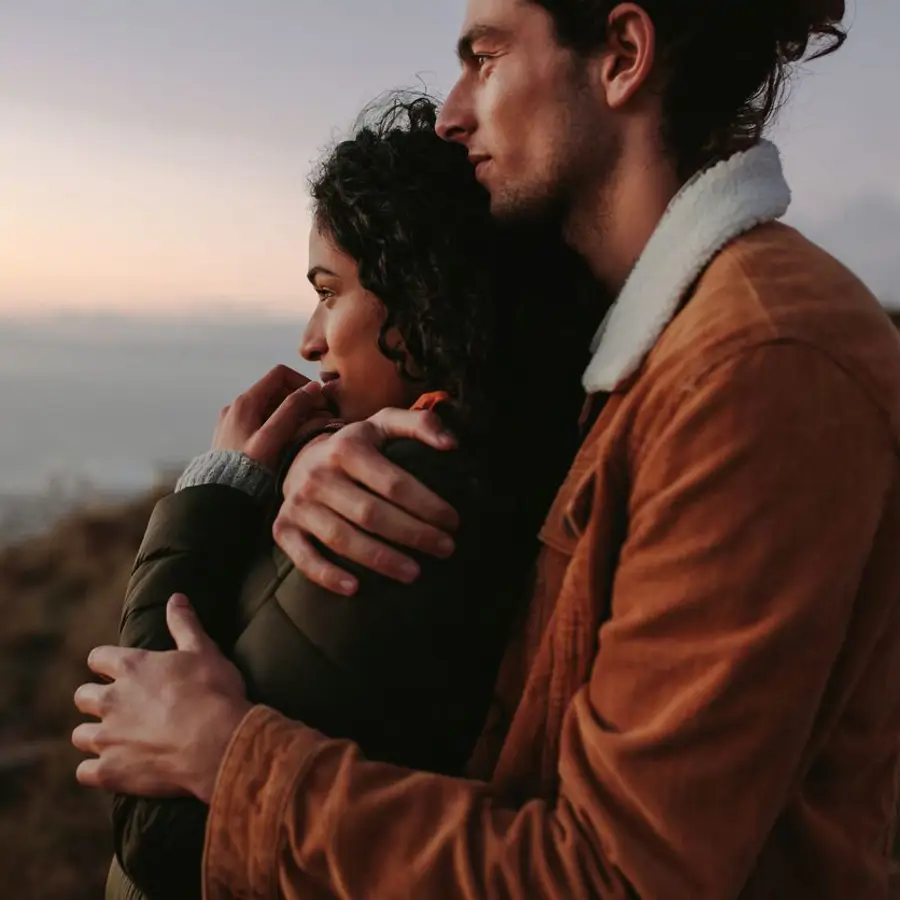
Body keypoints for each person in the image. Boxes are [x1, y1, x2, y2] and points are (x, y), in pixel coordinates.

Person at [74, 2, 900, 898]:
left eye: (488, 55)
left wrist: (233, 762)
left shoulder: (758, 367)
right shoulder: (638, 352)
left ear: (622, 55)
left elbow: (613, 879)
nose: (450, 112)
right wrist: (327, 456)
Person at [100, 96, 596, 900]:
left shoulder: (404, 499)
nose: (308, 339)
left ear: (425, 295)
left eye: (331, 292)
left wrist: (214, 493)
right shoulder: (464, 457)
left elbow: (156, 838)